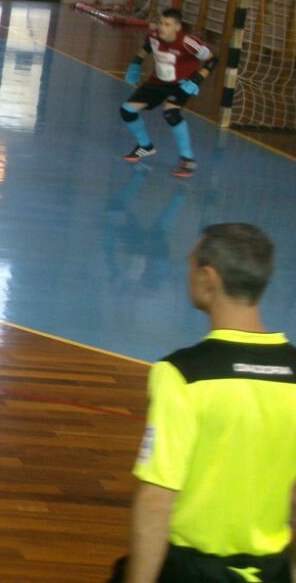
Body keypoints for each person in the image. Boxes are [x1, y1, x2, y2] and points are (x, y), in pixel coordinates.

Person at [111, 223, 294, 583]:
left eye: (191, 264)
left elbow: (157, 499)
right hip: (270, 571)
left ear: (208, 278)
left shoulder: (182, 374)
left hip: (190, 571)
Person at [121, 8, 216, 178]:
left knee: (171, 112)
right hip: (157, 82)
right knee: (127, 110)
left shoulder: (188, 42)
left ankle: (187, 159)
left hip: (182, 84)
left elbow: (212, 59)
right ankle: (145, 146)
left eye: (167, 25)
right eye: (160, 23)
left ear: (177, 27)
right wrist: (136, 63)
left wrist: (198, 80)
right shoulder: (154, 36)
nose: (161, 28)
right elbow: (147, 47)